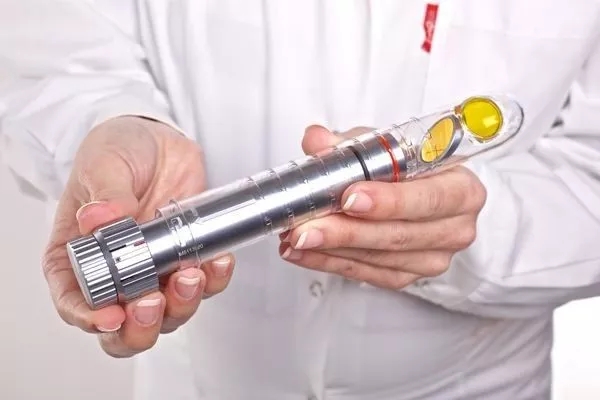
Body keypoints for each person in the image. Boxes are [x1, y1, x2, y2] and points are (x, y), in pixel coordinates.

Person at [1, 1, 600, 399]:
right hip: (203, 378)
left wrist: (474, 229)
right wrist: (112, 123)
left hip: (477, 384)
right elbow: (56, 52)